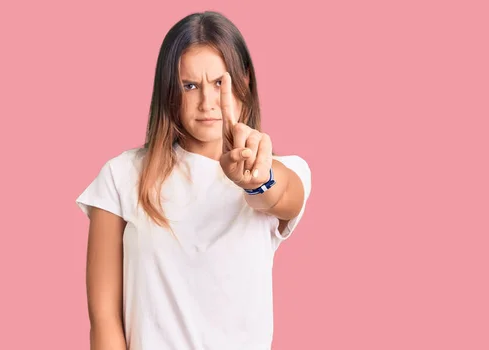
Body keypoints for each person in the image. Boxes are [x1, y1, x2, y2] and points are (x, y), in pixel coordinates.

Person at [76, 10, 312, 350]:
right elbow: (104, 318)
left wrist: (257, 181)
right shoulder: (122, 176)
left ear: (244, 81)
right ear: (170, 90)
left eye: (219, 83)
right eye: (190, 86)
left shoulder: (282, 169)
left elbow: (281, 196)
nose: (207, 102)